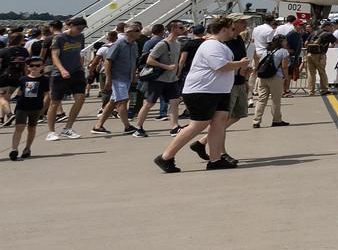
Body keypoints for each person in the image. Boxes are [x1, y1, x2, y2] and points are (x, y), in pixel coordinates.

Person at [155, 17, 247, 172]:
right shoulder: (211, 45)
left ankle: (215, 159)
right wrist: (240, 64)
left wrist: (238, 68)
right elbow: (219, 66)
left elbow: (222, 67)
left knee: (219, 122)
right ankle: (166, 156)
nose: (234, 32)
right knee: (198, 125)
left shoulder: (219, 45)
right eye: (231, 29)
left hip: (218, 90)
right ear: (223, 29)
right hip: (202, 91)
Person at [89, 22, 142, 137]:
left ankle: (98, 125)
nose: (140, 32)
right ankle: (127, 126)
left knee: (113, 102)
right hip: (118, 77)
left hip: (127, 77)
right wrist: (108, 78)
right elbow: (108, 61)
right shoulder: (118, 44)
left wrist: (133, 75)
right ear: (129, 32)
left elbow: (133, 61)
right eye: (137, 30)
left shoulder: (134, 45)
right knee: (122, 101)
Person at [43, 16, 90, 142]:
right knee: (55, 102)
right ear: (70, 26)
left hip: (77, 71)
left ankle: (68, 128)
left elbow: (79, 52)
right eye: (78, 28)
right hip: (59, 73)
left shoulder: (80, 37)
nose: (80, 30)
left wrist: (82, 66)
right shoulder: (59, 38)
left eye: (82, 28)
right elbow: (55, 56)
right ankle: (51, 131)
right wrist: (62, 70)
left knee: (80, 98)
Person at [248, 30, 290, 129]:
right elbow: (284, 66)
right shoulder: (284, 52)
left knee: (261, 99)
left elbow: (259, 61)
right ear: (281, 42)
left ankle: (256, 121)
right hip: (276, 77)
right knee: (276, 100)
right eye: (285, 41)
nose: (286, 42)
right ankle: (276, 120)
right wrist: (287, 77)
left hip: (263, 77)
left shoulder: (267, 50)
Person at [10, 58, 48, 159]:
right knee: (19, 128)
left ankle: (27, 148)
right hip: (22, 107)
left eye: (38, 65)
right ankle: (14, 149)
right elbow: (19, 92)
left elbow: (47, 95)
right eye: (32, 65)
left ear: (42, 67)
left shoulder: (44, 80)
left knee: (32, 128)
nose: (34, 67)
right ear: (28, 67)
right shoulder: (23, 79)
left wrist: (44, 109)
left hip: (36, 108)